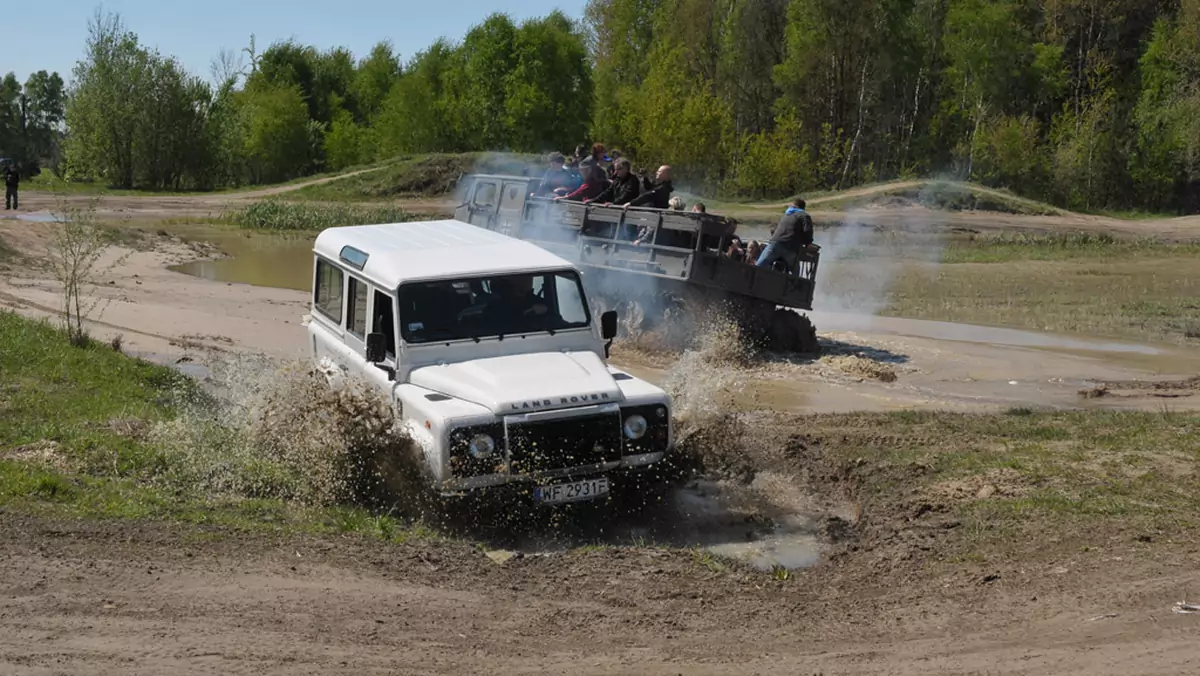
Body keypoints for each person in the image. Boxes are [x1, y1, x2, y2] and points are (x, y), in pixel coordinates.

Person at [756, 198, 814, 272]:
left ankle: (749, 277)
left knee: (759, 265)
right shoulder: (804, 215)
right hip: (789, 247)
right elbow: (807, 230)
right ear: (802, 208)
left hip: (774, 243)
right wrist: (808, 243)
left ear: (794, 205)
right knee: (795, 273)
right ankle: (796, 283)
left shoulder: (787, 214)